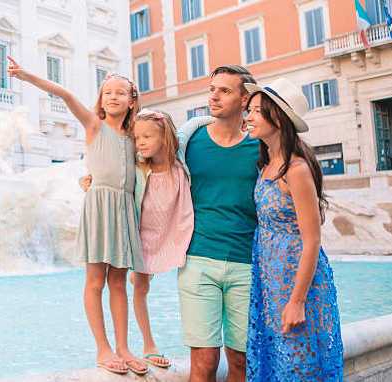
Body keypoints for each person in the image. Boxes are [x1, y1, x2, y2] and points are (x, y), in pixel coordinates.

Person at [7, 56, 148, 375]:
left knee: (119, 281)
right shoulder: (94, 125)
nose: (113, 96)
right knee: (96, 280)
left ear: (131, 100)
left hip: (124, 208)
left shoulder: (135, 136)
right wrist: (26, 75)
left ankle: (124, 347)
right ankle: (103, 348)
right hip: (99, 205)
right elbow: (66, 95)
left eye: (120, 92)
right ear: (101, 99)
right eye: (107, 92)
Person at [243, 78, 343, 381]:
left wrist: (297, 301)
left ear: (279, 117)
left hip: (298, 285)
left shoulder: (296, 170)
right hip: (270, 283)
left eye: (257, 111)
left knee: (299, 368)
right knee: (275, 364)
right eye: (249, 110)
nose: (248, 117)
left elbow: (312, 241)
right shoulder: (267, 165)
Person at [82, 108, 194, 369]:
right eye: (136, 138)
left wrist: (216, 118)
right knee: (141, 288)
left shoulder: (180, 160)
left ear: (165, 137)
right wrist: (89, 181)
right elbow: (109, 172)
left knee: (183, 280)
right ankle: (148, 344)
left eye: (146, 137)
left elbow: (192, 125)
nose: (140, 142)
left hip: (170, 232)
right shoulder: (138, 167)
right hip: (140, 237)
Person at [177, 65, 259, 382]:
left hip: (246, 264)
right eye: (212, 89)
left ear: (244, 98)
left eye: (224, 90)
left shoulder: (259, 146)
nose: (214, 95)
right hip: (197, 259)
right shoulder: (190, 140)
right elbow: (147, 162)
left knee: (240, 361)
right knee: (204, 362)